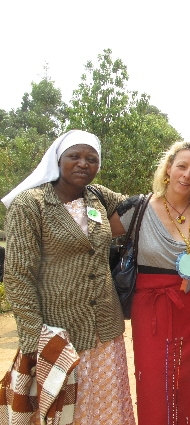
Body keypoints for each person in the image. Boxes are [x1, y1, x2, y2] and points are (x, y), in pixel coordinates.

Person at [1, 129, 135, 424]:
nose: (83, 163)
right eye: (74, 156)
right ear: (58, 160)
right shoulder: (31, 204)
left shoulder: (98, 197)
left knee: (107, 407)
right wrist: (34, 339)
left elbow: (146, 206)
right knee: (64, 413)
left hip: (105, 331)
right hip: (59, 333)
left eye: (92, 158)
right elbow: (18, 276)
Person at [116, 141, 190, 425]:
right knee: (154, 382)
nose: (187, 175)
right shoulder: (137, 208)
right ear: (168, 169)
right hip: (150, 309)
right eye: (182, 166)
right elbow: (95, 235)